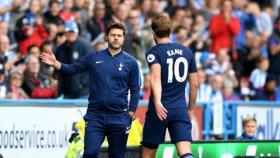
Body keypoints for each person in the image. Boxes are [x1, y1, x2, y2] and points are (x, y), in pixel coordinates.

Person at [41, 22, 141, 158]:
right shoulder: (94, 57)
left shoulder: (131, 62)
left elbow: (135, 89)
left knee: (117, 155)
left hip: (119, 117)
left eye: (119, 35)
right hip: (95, 117)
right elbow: (72, 69)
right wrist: (56, 63)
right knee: (90, 153)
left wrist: (131, 112)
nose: (116, 38)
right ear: (106, 37)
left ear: (123, 38)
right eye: (113, 35)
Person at [141, 15, 198, 158]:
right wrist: (190, 110)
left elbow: (155, 77)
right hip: (180, 109)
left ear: (153, 33)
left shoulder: (154, 52)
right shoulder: (187, 52)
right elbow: (194, 85)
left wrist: (158, 101)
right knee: (185, 153)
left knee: (148, 153)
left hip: (160, 110)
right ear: (171, 31)